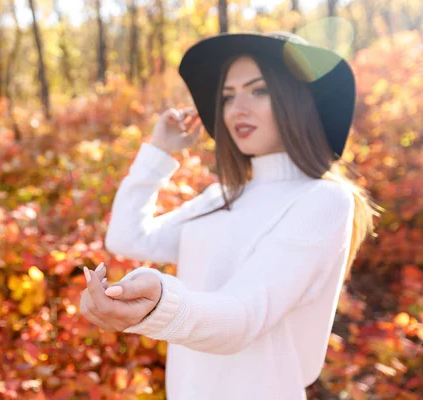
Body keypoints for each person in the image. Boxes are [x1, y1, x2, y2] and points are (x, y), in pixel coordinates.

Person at [79, 31, 378, 400]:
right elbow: (128, 237)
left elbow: (243, 317)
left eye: (259, 90)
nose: (238, 109)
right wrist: (159, 152)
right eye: (228, 96)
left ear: (297, 99)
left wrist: (159, 304)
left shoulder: (323, 200)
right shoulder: (221, 196)